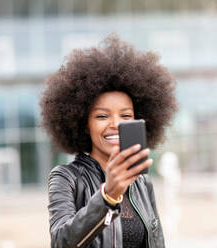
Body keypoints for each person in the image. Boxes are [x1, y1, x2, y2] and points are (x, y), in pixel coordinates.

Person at [40, 34, 178, 248]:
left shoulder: (142, 183)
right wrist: (108, 196)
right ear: (85, 124)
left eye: (125, 116)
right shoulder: (66, 178)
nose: (115, 124)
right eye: (102, 116)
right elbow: (61, 242)